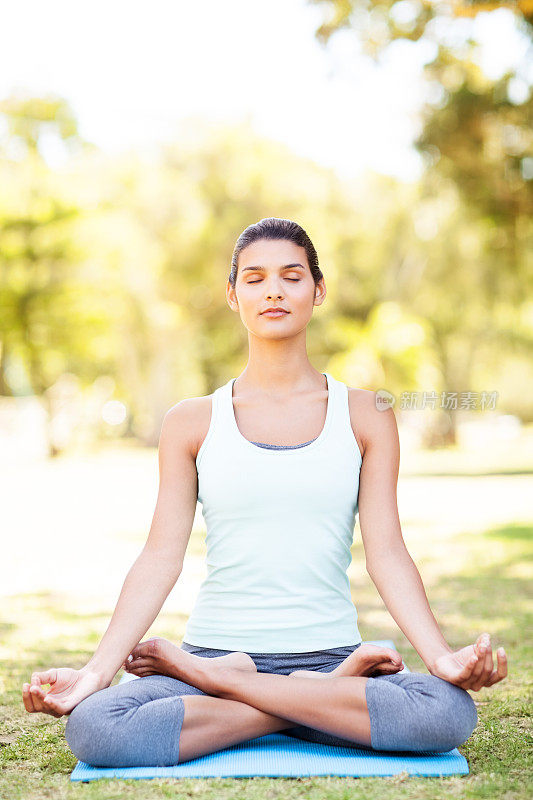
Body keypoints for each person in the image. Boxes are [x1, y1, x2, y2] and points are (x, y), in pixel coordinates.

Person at [22, 217, 507, 768]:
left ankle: (242, 694)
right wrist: (95, 673)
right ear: (233, 295)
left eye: (291, 276)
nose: (273, 289)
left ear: (317, 291)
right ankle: (296, 705)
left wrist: (440, 658)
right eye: (254, 278)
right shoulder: (191, 421)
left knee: (447, 711)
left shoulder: (367, 415)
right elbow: (161, 555)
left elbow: (387, 552)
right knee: (96, 728)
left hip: (324, 661)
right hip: (221, 656)